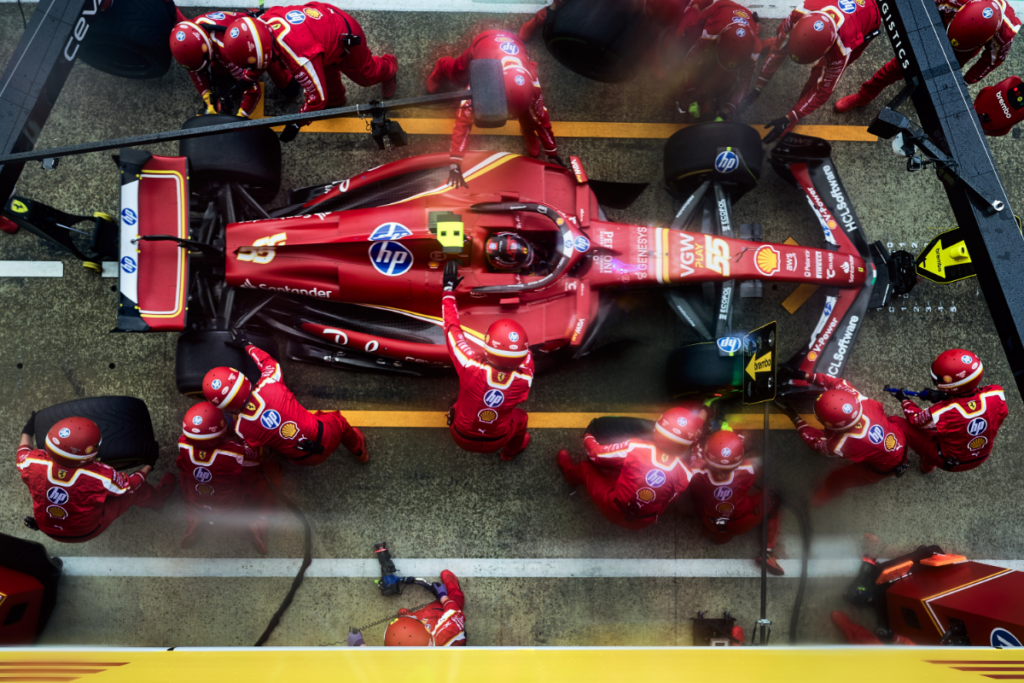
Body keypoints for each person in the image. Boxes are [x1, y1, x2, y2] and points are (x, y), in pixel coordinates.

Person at [221, 3, 397, 139]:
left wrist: (297, 123)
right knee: (328, 79)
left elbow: (317, 99)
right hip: (321, 30)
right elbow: (258, 54)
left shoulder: (300, 58)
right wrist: (246, 80)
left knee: (367, 75)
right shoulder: (262, 23)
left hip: (344, 36)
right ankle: (337, 100)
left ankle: (390, 66)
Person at [425, 30, 560, 188]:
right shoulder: (482, 80)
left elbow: (541, 119)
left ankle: (528, 130)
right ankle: (442, 66)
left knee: (530, 115)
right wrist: (455, 162)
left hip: (513, 42)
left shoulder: (533, 88)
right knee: (458, 75)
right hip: (484, 42)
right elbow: (463, 121)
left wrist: (552, 151)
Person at [202, 340, 368, 467]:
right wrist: (246, 345)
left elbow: (253, 451)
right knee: (339, 421)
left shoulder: (242, 429)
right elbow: (267, 362)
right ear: (242, 379)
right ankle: (359, 451)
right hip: (327, 434)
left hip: (303, 459)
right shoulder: (270, 384)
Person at [835, 0, 1019, 112]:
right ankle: (865, 95)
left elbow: (990, 63)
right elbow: (921, 8)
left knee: (935, 79)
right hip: (938, 24)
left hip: (962, 50)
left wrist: (965, 80)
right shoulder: (954, 0)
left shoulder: (1005, 36)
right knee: (896, 67)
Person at [16, 415, 175, 543]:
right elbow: (129, 486)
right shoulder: (101, 475)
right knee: (136, 489)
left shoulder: (31, 462)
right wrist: (149, 465)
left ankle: (53, 522)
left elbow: (23, 450)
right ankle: (158, 501)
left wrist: (27, 431)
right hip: (85, 531)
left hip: (46, 527)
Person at [745, 0, 881, 142]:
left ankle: (797, 112)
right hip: (836, 15)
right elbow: (778, 49)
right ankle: (782, 40)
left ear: (826, 52)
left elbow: (822, 91)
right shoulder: (801, 11)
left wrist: (791, 116)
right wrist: (758, 87)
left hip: (870, 16)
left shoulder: (842, 50)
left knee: (818, 74)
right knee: (781, 33)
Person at [556, 406, 704, 530]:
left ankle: (570, 474)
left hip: (612, 506)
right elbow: (669, 499)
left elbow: (596, 456)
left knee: (585, 467)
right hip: (643, 522)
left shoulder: (636, 447)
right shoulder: (686, 473)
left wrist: (588, 435)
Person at [442, 262, 534, 461]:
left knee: (458, 402)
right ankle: (510, 453)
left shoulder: (469, 366)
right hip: (497, 440)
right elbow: (527, 356)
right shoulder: (525, 378)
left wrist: (448, 291)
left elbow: (451, 329)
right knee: (522, 418)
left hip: (460, 435)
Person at [776, 370, 907, 506]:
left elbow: (814, 443)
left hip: (886, 467)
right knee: (893, 420)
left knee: (836, 479)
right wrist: (804, 375)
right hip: (901, 440)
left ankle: (827, 494)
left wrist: (794, 417)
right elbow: (836, 383)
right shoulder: (860, 399)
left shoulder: (839, 444)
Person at [176, 401, 281, 554]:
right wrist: (241, 427)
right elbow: (255, 458)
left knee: (184, 474)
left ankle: (194, 519)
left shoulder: (183, 444)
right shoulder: (233, 452)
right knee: (273, 469)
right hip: (230, 507)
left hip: (198, 503)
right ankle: (260, 521)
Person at [892, 349, 1008, 473]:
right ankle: (926, 467)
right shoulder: (996, 393)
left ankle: (927, 464)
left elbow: (917, 419)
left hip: (949, 461)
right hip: (981, 455)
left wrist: (905, 400)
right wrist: (948, 396)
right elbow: (973, 398)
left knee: (894, 421)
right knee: (944, 436)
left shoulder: (941, 412)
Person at [689, 429, 784, 575]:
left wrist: (697, 447)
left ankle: (719, 534)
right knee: (775, 498)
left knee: (697, 496)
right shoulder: (747, 469)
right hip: (742, 523)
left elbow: (696, 459)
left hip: (712, 521)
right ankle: (768, 551)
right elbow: (754, 459)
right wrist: (738, 444)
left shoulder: (697, 473)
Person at [170, 10, 297, 118]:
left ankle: (254, 15)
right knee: (222, 83)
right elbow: (194, 68)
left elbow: (253, 89)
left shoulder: (227, 51)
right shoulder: (189, 36)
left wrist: (241, 117)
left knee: (289, 90)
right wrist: (207, 95)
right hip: (230, 33)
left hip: (257, 42)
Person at [667, 0, 768, 121]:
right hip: (722, 7)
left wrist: (725, 112)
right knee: (682, 34)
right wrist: (691, 92)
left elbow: (744, 86)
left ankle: (754, 26)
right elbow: (688, 62)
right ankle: (697, 4)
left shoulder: (754, 50)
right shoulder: (710, 34)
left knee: (721, 84)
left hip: (738, 19)